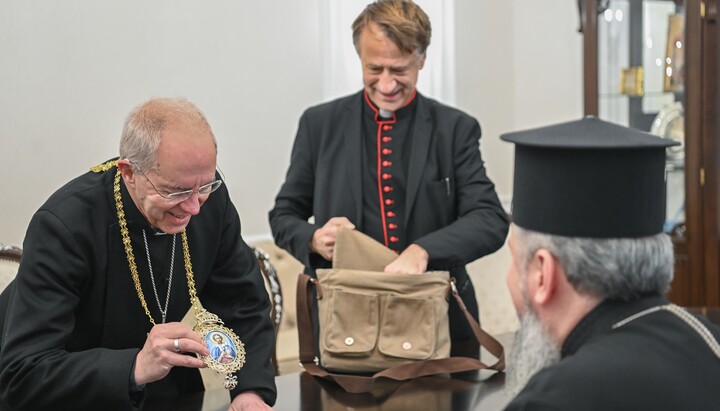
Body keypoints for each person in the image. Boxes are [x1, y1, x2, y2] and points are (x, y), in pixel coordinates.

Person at [0, 97, 276, 410]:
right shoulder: (64, 226)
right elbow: (24, 374)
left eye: (205, 186)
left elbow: (244, 303)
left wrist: (251, 391)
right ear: (129, 172)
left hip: (166, 394)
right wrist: (134, 367)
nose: (194, 207)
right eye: (176, 192)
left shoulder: (210, 200)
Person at [269, 0, 508, 356]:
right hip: (345, 322)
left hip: (439, 316)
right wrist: (314, 238)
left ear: (422, 58)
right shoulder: (319, 125)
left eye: (399, 69)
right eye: (373, 68)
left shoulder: (455, 129)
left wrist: (423, 250)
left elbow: (489, 220)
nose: (386, 84)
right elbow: (283, 215)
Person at [500, 116, 720, 410]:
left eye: (514, 260)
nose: (510, 276)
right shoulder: (710, 343)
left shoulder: (557, 398)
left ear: (543, 273)